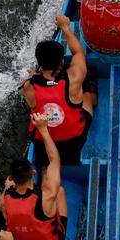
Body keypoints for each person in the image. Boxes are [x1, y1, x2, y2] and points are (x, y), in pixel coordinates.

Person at [21, 15, 94, 166]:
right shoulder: (74, 77)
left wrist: (34, 76)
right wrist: (65, 28)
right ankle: (92, 91)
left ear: (39, 63)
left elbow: (35, 90)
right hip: (73, 141)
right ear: (61, 62)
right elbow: (79, 53)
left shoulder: (28, 86)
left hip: (43, 143)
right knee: (86, 96)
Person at [0, 113, 68, 240]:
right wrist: (43, 129)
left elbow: (5, 207)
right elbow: (55, 161)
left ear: (12, 179)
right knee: (60, 191)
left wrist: (5, 187)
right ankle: (45, 173)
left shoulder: (3, 200)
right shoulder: (48, 195)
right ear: (33, 173)